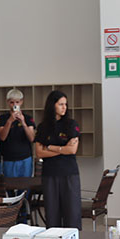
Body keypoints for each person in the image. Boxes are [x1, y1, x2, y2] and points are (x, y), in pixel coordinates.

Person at [34, 90, 81, 229]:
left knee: (72, 215)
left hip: (69, 173)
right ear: (52, 105)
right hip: (50, 174)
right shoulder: (43, 127)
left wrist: (50, 147)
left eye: (65, 104)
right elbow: (39, 153)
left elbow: (72, 150)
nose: (64, 107)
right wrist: (62, 149)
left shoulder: (71, 124)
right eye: (61, 104)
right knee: (52, 214)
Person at [0, 88, 36, 178]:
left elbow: (32, 138)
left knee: (26, 184)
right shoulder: (2, 118)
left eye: (17, 102)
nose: (15, 105)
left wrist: (23, 122)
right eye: (12, 102)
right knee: (9, 184)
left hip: (25, 158)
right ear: (8, 102)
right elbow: (2, 137)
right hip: (8, 158)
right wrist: (9, 121)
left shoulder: (28, 118)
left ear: (21, 102)